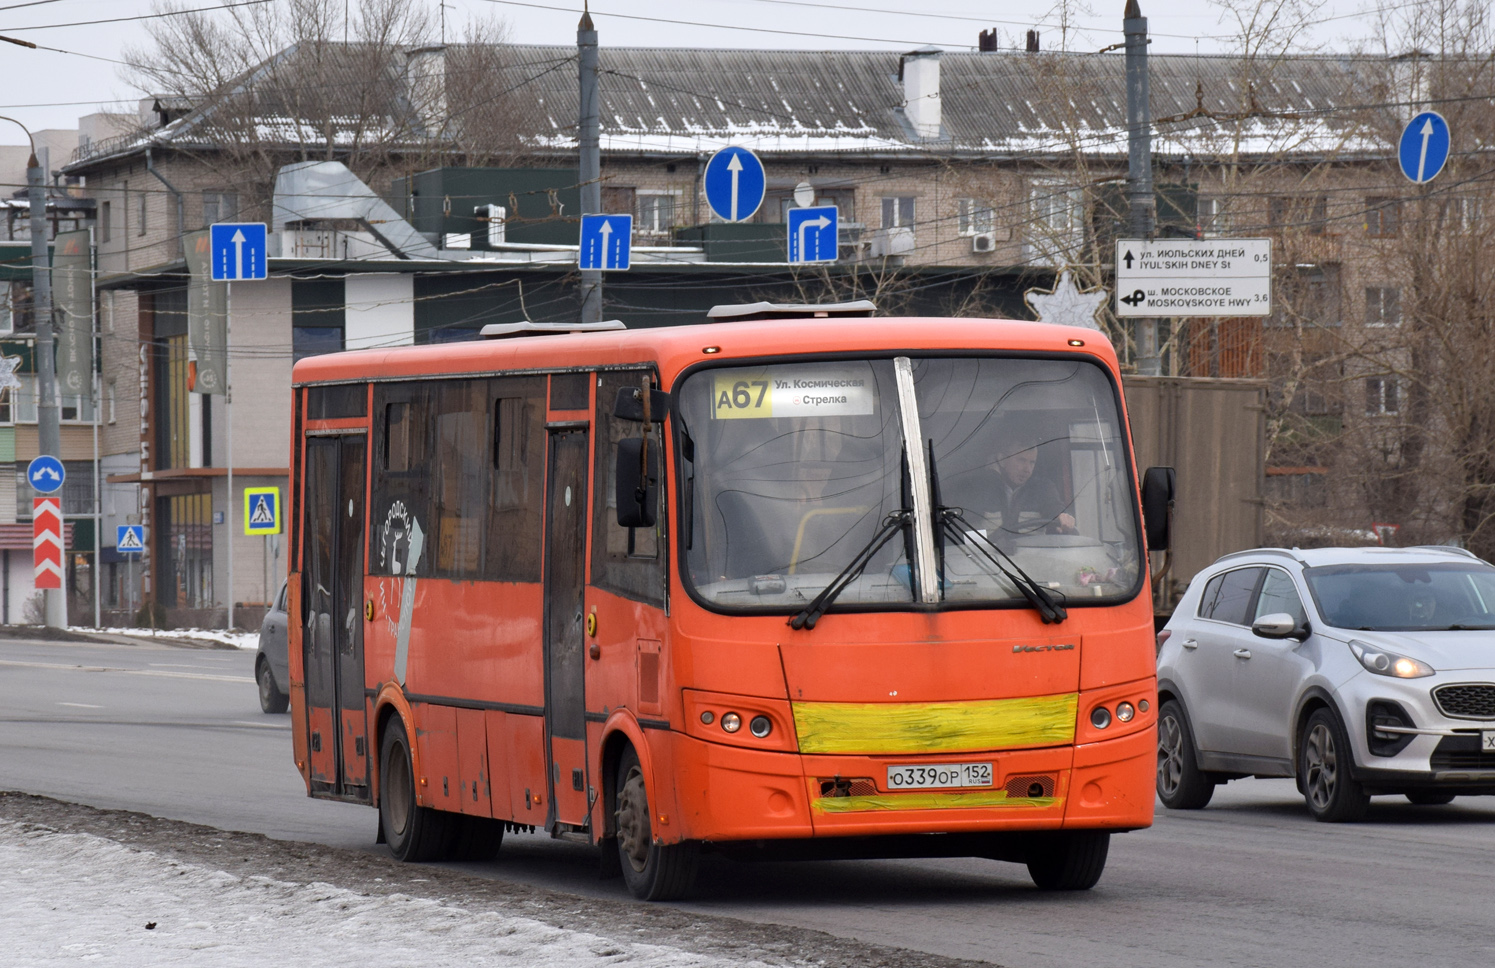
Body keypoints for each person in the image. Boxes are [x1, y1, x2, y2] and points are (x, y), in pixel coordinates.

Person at [990, 428, 1076, 535]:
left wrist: (1062, 517)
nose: (1027, 469)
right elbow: (966, 533)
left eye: (1032, 462)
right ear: (1002, 460)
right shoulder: (981, 490)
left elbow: (1054, 507)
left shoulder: (1043, 488)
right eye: (1021, 460)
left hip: (1033, 551)